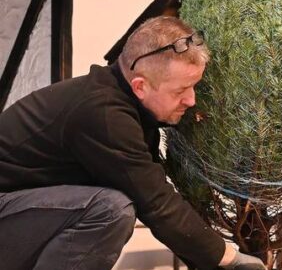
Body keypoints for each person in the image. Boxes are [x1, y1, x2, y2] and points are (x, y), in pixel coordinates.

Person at [0, 17, 265, 270]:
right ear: (140, 86)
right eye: (180, 91)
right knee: (110, 210)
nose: (191, 100)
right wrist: (231, 259)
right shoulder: (103, 115)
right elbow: (156, 204)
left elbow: (155, 200)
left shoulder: (123, 104)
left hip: (17, 213)